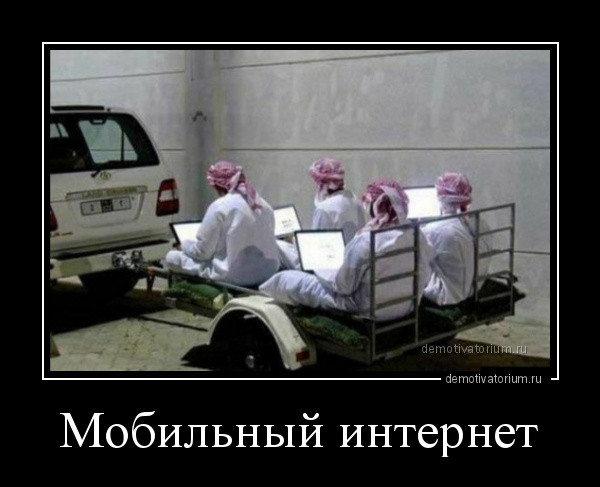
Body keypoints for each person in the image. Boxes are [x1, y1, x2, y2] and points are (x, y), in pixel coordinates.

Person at [261, 179, 434, 321]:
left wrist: (320, 269)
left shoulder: (366, 241)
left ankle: (263, 292)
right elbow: (426, 275)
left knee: (287, 279)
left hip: (367, 309)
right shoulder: (417, 234)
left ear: (374, 207)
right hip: (406, 306)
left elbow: (343, 287)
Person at [165, 161, 279, 287]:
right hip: (267, 272)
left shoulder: (219, 206)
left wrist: (184, 246)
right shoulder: (263, 204)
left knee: (172, 257)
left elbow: (202, 253)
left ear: (216, 186)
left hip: (233, 276)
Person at [278, 157, 366, 269]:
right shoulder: (354, 200)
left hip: (328, 267)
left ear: (321, 183)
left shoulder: (324, 208)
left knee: (279, 245)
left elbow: (317, 249)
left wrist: (295, 242)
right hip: (352, 263)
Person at [422, 172, 492, 306]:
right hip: (475, 288)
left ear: (440, 199)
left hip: (446, 296)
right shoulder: (481, 223)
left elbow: (420, 258)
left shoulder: (434, 230)